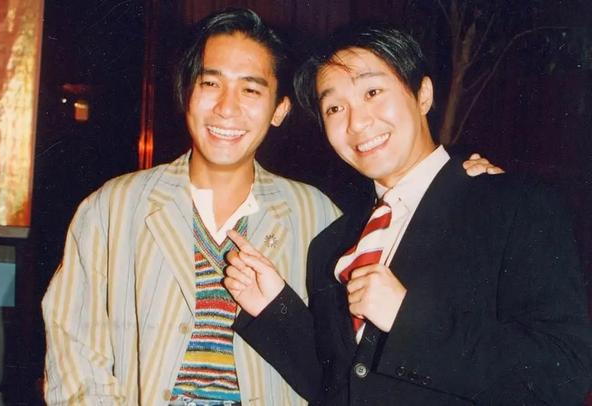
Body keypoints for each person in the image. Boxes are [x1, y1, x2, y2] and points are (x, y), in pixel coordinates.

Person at [42, 9, 499, 405]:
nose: (226, 108)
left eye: (251, 90)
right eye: (210, 83)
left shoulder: (319, 218)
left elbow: (346, 366)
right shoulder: (112, 209)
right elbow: (74, 353)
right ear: (186, 93)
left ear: (280, 110)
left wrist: (456, 180)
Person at [225, 23, 592, 405]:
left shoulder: (514, 205)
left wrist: (408, 319)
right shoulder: (331, 245)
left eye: (372, 92)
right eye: (335, 108)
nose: (356, 122)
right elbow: (342, 386)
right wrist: (274, 308)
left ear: (423, 94)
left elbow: (563, 374)